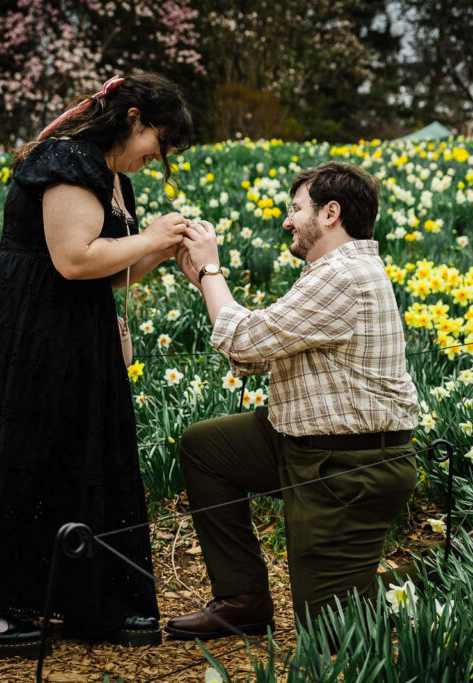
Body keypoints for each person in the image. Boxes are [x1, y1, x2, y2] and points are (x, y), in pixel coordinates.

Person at [0, 73, 193, 658]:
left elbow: (116, 269)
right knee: (22, 454)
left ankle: (82, 599)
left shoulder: (109, 176)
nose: (160, 155)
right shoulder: (67, 160)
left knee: (72, 453)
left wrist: (162, 247)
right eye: (159, 138)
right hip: (29, 327)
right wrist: (150, 236)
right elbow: (74, 259)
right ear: (133, 117)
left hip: (74, 332)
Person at [166, 161, 420, 640]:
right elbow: (264, 352)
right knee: (207, 448)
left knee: (329, 633)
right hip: (300, 439)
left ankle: (454, 566)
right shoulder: (333, 270)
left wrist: (210, 268)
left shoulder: (341, 277)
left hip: (349, 467)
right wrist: (205, 281)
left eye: (295, 208)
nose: (286, 220)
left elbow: (244, 342)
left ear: (330, 213)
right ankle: (243, 601)